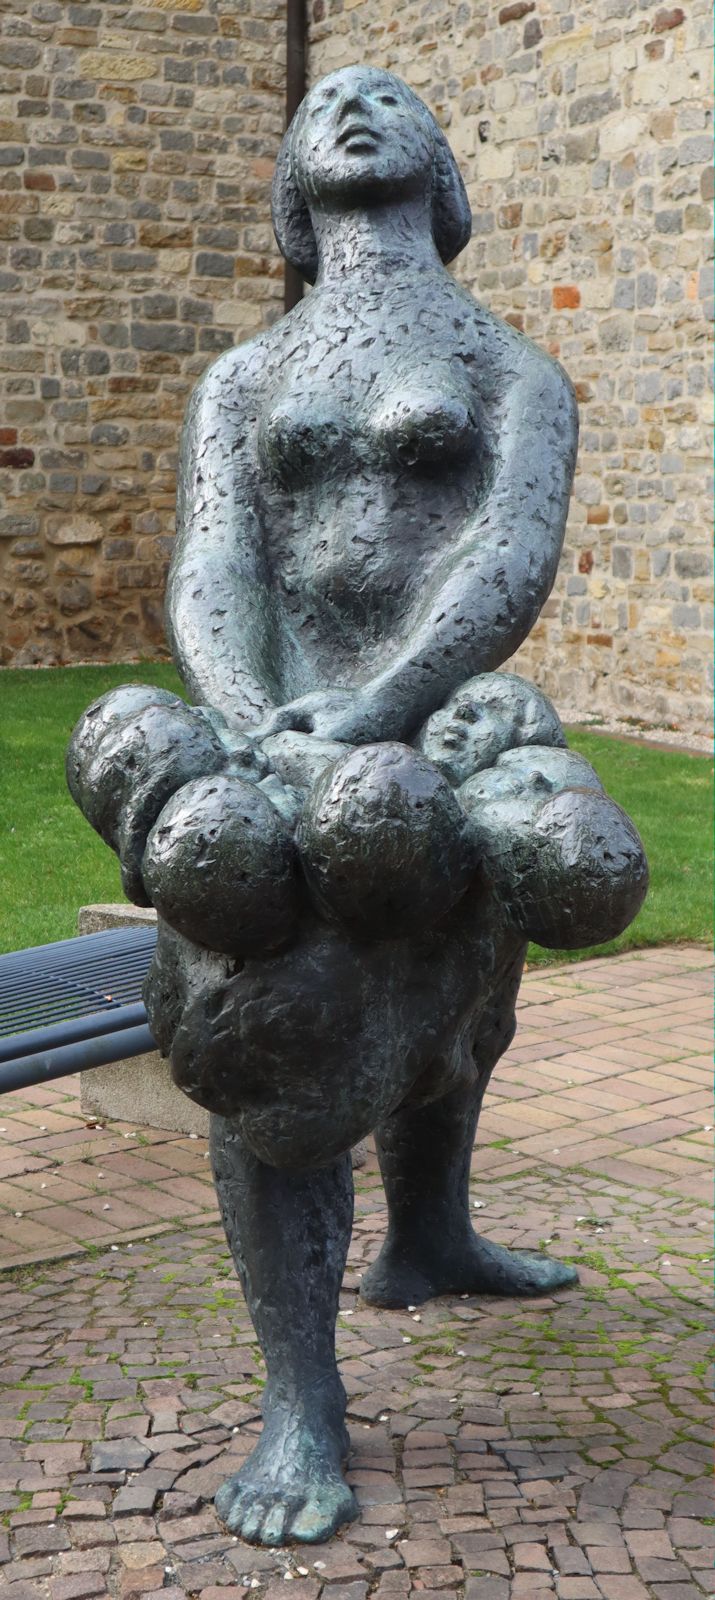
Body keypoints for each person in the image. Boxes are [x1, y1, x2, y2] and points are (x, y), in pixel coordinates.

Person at [67, 66, 647, 1547]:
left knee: (464, 998)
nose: (355, 106)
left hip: (435, 732)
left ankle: (431, 1238)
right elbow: (219, 566)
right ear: (286, 178)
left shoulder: (514, 365)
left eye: (393, 97)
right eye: (325, 99)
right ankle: (301, 1401)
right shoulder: (244, 378)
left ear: (447, 177)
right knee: (273, 1035)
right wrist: (259, 723)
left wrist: (385, 706)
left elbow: (503, 561)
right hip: (275, 761)